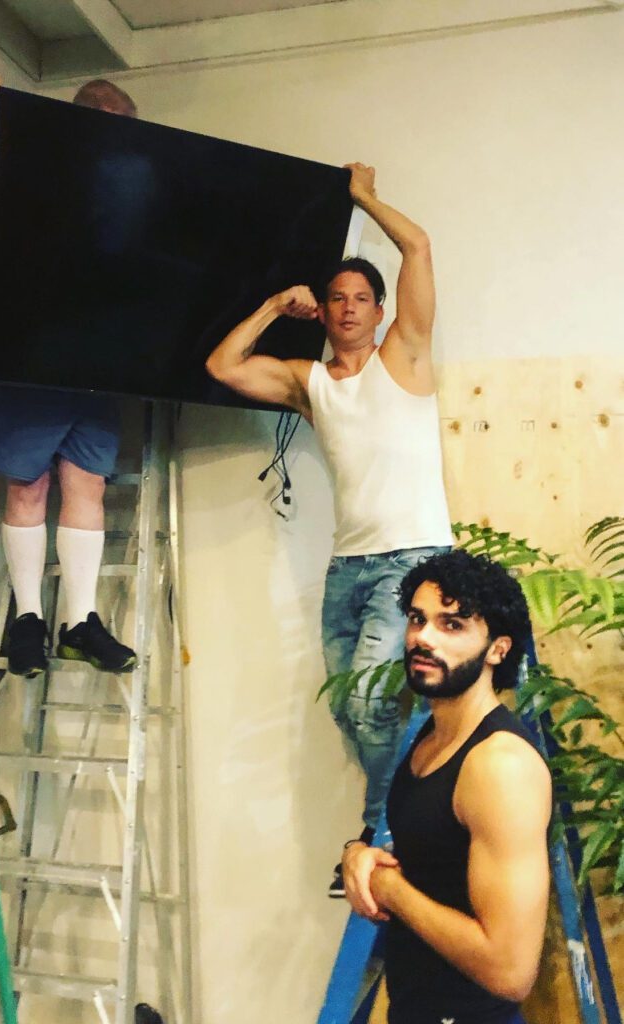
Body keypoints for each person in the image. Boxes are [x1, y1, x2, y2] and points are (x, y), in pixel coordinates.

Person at [205, 163, 453, 883]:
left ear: (379, 311)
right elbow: (223, 366)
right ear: (325, 313)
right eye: (337, 298)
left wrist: (364, 198)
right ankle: (397, 820)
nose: (348, 309)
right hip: (347, 568)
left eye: (360, 299)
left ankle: (381, 835)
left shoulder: (403, 355)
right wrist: (274, 306)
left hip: (411, 560)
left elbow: (418, 247)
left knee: (372, 704)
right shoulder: (309, 383)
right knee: (347, 709)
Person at [342, 549, 551, 1024]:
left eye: (452, 625)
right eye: (418, 619)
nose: (423, 637)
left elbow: (511, 971)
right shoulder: (432, 735)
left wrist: (390, 889)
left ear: (497, 649)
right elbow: (430, 858)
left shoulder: (500, 766)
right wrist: (358, 853)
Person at [0, 78, 138, 679]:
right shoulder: (31, 174)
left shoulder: (126, 189)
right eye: (111, 122)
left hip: (97, 359)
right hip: (29, 356)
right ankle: (28, 619)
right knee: (27, 486)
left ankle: (80, 622)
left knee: (87, 485)